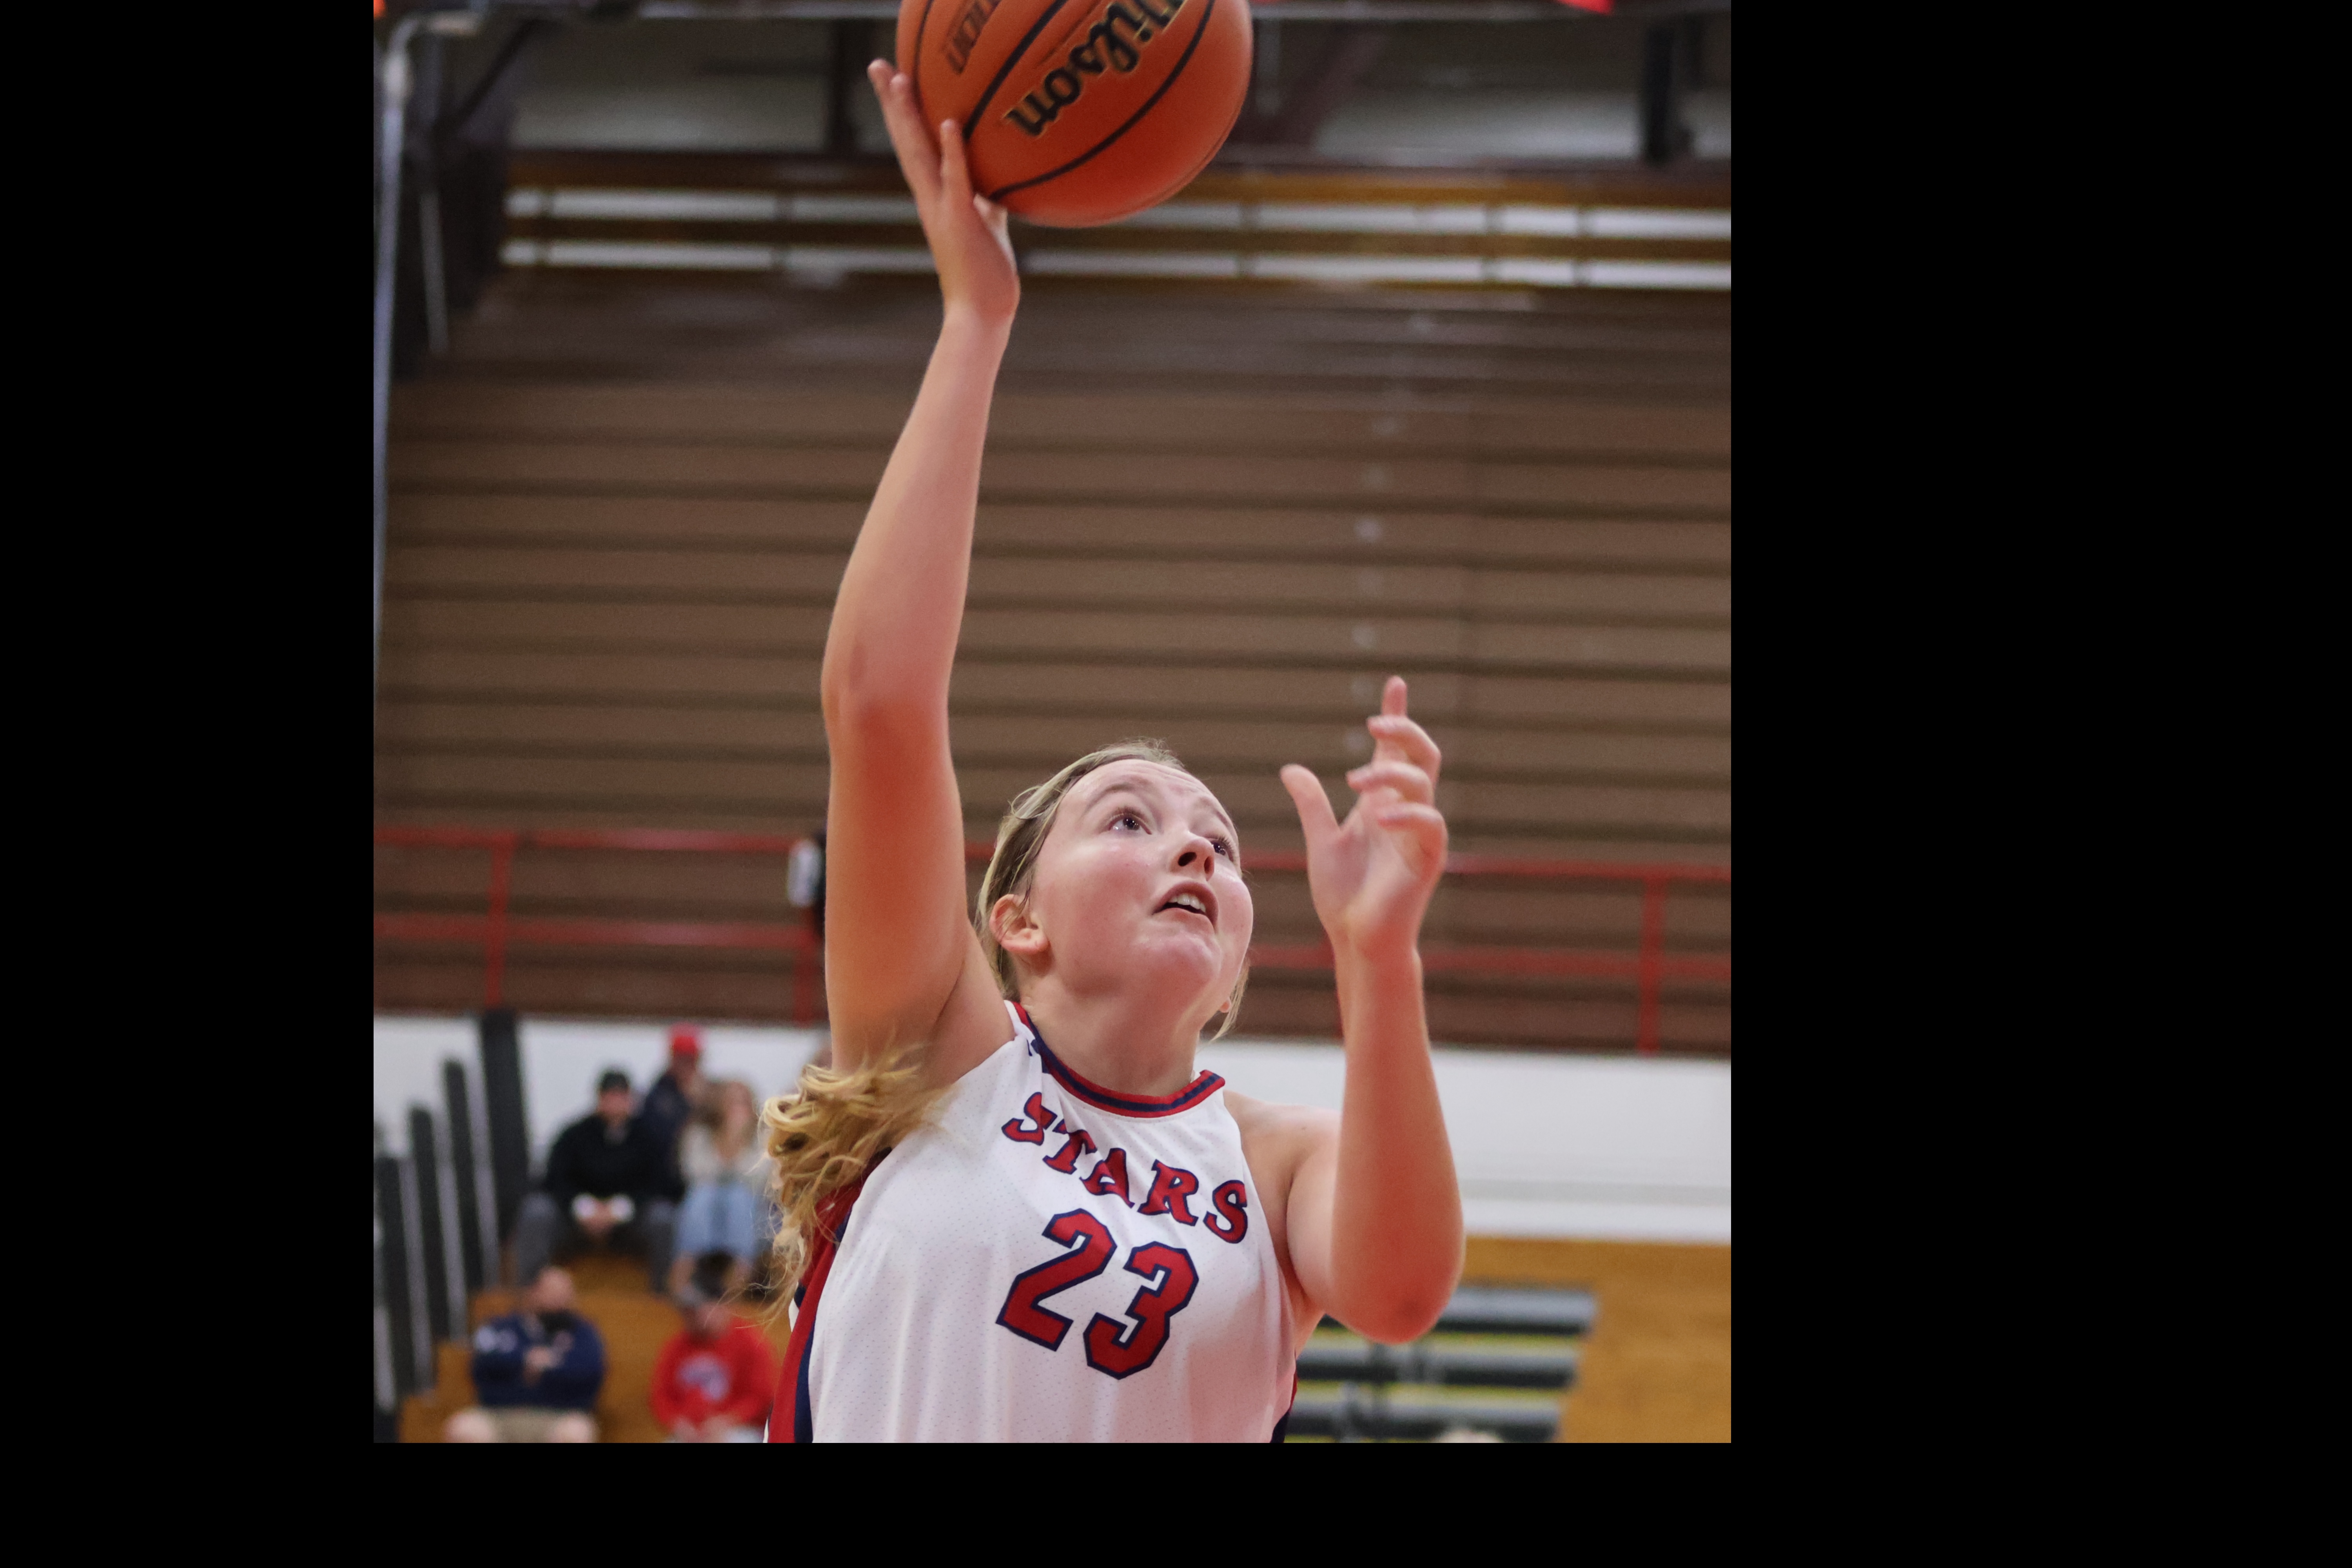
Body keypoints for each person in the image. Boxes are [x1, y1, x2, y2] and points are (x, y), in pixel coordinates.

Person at [757, 64, 1463, 1443]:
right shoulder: (936, 1055)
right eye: (1130, 820)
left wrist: (1381, 957)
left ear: (1239, 964)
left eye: (1218, 842)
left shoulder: (1274, 1161)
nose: (1193, 842)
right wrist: (975, 322)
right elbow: (880, 704)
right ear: (1014, 921)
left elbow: (1398, 1290)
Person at [512, 1069, 680, 1291]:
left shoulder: (649, 1137)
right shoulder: (574, 1135)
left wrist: (620, 1209)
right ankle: (531, 1290)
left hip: (631, 1221)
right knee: (537, 1210)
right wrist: (584, 1208)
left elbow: (661, 1184)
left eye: (621, 1096)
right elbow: (555, 1180)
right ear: (599, 1099)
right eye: (610, 1096)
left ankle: (662, 1291)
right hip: (577, 1219)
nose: (615, 1103)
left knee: (663, 1217)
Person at [445, 1266, 605, 1442]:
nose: (562, 1299)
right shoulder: (501, 1328)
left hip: (558, 1416)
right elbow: (482, 1365)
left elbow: (590, 1372)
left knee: (576, 1432)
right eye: (554, 1292)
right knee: (465, 1428)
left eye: (567, 1293)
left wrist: (546, 1368)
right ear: (533, 1292)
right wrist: (525, 1359)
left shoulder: (583, 1333)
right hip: (500, 1415)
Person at [650, 1252, 779, 1443]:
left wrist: (729, 1421)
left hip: (740, 1431)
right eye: (686, 1310)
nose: (688, 1316)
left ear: (719, 1305)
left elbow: (762, 1397)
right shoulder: (677, 1345)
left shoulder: (750, 1342)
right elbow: (661, 1396)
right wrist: (678, 1423)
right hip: (691, 1434)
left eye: (696, 1309)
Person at [668, 1078, 773, 1298]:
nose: (737, 1110)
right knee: (703, 1195)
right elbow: (696, 1174)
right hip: (707, 1203)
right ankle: (682, 1276)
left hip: (749, 1204)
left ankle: (736, 1282)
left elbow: (757, 1178)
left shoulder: (763, 1136)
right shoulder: (698, 1134)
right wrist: (726, 1140)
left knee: (739, 1197)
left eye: (742, 1103)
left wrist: (737, 1140)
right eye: (732, 1103)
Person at [641, 1025, 706, 1183]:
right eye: (681, 1058)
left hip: (698, 1176)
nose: (686, 1065)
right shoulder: (658, 1093)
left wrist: (700, 1102)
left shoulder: (708, 1092)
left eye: (691, 1059)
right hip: (663, 1178)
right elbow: (655, 1135)